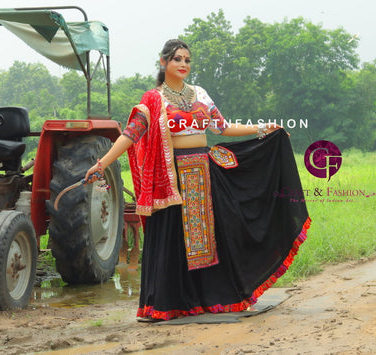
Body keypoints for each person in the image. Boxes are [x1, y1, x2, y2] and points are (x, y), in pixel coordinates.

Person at [85, 39, 311, 322]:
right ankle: (170, 305)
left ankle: (216, 299)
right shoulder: (153, 100)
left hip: (205, 173)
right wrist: (102, 163)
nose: (183, 64)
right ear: (163, 62)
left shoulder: (200, 95)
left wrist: (264, 128)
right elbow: (130, 135)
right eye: (177, 59)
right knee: (175, 243)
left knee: (216, 238)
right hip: (172, 180)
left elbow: (223, 128)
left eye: (187, 60)